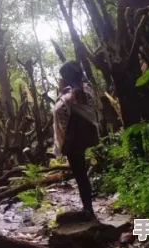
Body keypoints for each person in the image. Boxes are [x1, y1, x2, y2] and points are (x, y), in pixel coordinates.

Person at [53, 61, 102, 216]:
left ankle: (88, 208)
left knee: (79, 173)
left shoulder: (72, 94)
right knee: (80, 173)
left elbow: (61, 112)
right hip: (86, 134)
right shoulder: (88, 89)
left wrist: (61, 92)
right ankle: (88, 205)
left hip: (74, 137)